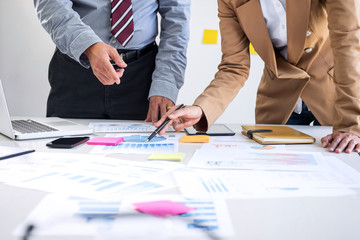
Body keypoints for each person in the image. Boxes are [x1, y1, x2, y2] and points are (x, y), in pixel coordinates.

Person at [156, 0, 360, 154]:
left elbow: (348, 43)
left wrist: (351, 122)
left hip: (340, 96)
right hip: (280, 102)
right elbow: (234, 67)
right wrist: (202, 108)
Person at [33, 0, 190, 123]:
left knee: (141, 157)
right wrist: (88, 45)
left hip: (143, 77)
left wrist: (166, 84)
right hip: (76, 69)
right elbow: (52, 4)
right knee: (63, 153)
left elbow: (177, 23)